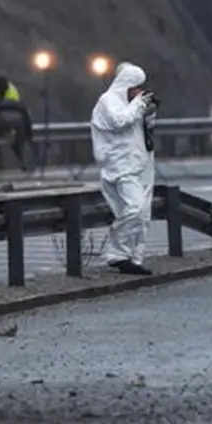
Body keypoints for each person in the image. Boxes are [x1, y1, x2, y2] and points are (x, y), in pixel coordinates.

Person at [90, 62, 157, 275]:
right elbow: (120, 121)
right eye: (136, 87)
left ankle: (134, 258)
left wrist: (149, 113)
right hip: (120, 168)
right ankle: (117, 254)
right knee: (134, 208)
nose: (138, 92)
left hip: (140, 165)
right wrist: (139, 104)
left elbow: (141, 131)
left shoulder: (132, 105)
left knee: (142, 215)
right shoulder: (108, 102)